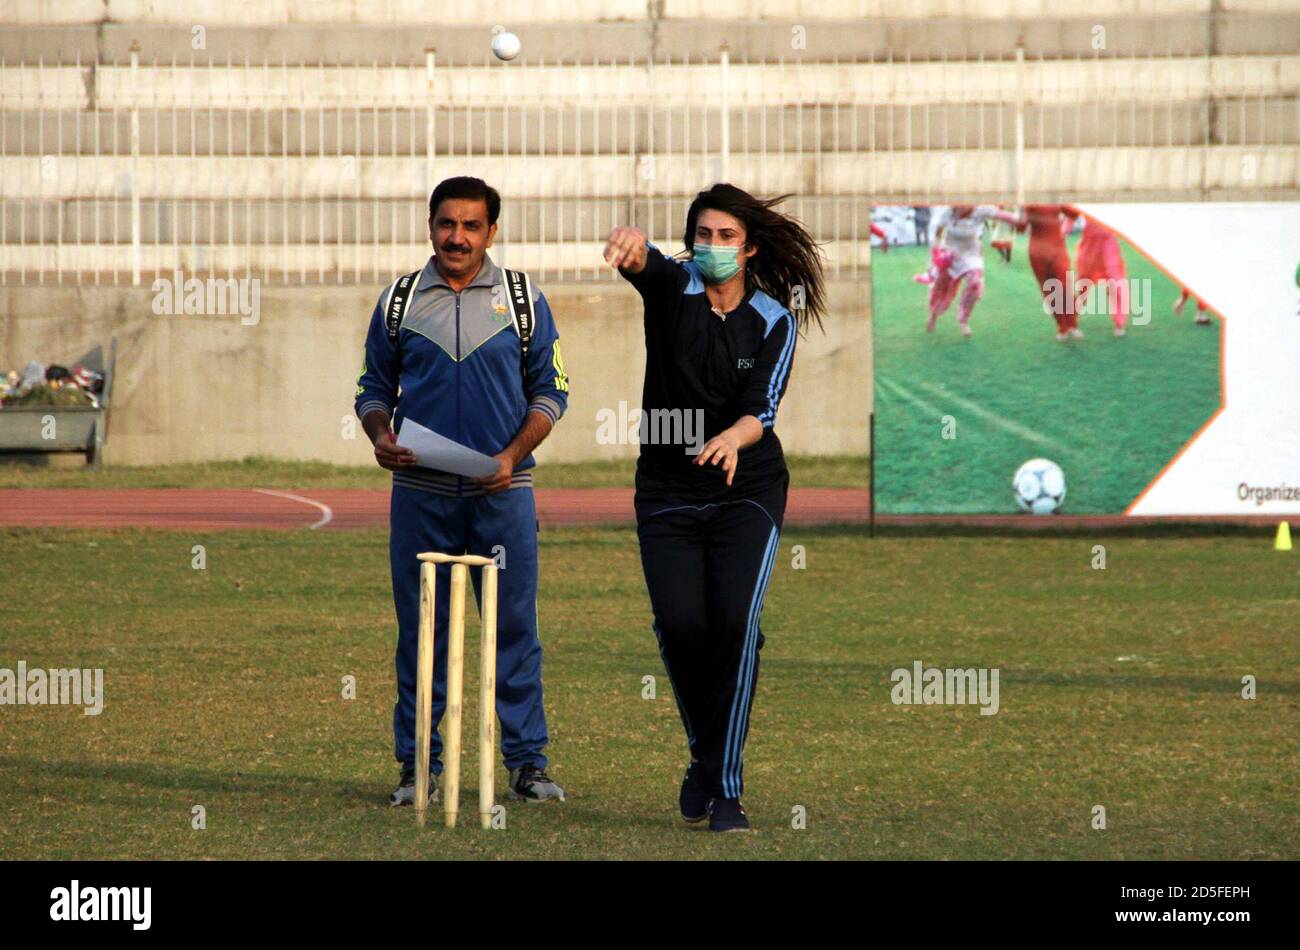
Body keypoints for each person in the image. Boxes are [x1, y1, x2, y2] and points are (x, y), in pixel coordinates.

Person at [603, 183, 825, 832]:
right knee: (679, 627)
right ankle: (706, 754)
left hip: (747, 490)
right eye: (703, 235)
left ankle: (725, 787)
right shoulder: (674, 289)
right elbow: (647, 264)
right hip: (668, 491)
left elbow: (763, 407)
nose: (713, 247)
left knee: (734, 625)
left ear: (749, 247)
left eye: (727, 237)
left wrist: (732, 436)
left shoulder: (773, 319)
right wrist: (631, 247)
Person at [354, 176, 570, 808]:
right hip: (420, 496)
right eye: (447, 224)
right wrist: (378, 433)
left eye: (472, 226)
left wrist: (511, 456)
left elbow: (552, 393)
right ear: (431, 227)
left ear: (491, 232)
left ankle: (528, 766)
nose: (458, 237)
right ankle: (418, 767)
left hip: (504, 495)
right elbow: (371, 389)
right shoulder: (398, 302)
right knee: (422, 632)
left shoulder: (523, 301)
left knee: (513, 631)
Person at [924, 204, 1018, 337]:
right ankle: (933, 315)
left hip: (971, 254)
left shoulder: (980, 210)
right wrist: (934, 256)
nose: (961, 206)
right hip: (950, 255)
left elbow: (1004, 215)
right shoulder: (948, 213)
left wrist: (1023, 219)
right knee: (941, 288)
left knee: (975, 283)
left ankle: (963, 319)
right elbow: (938, 235)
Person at [1069, 210, 1130, 337]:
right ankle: (1072, 316)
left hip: (1108, 243)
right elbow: (1071, 213)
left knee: (1115, 279)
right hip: (1089, 244)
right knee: (1083, 281)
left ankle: (1119, 322)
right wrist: (1064, 229)